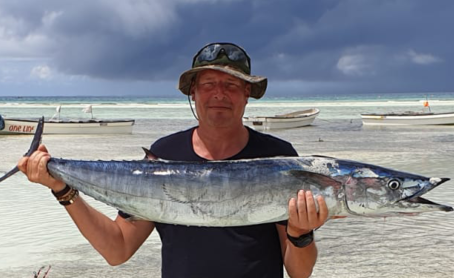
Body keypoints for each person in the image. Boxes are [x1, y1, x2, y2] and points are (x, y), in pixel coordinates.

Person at [18, 42, 330, 278]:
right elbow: (117, 249)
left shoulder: (279, 158)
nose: (219, 93)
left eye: (231, 85)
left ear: (247, 93)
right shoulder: (165, 155)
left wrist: (301, 234)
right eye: (209, 84)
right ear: (193, 93)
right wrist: (62, 189)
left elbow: (299, 272)